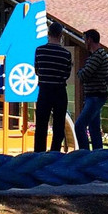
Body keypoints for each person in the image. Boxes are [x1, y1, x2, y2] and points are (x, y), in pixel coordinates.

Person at [33, 21, 74, 152]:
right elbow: (66, 74)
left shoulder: (40, 51)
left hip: (44, 90)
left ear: (48, 34)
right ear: (61, 35)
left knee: (41, 125)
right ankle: (55, 152)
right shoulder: (66, 54)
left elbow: (37, 71)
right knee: (59, 125)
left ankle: (39, 153)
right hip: (60, 91)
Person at [74, 29, 108, 150]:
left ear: (89, 39)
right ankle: (97, 153)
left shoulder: (97, 56)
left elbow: (84, 74)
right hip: (96, 96)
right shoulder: (100, 55)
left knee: (79, 126)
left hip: (95, 96)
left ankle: (84, 153)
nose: (84, 42)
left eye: (85, 39)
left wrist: (79, 72)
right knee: (94, 128)